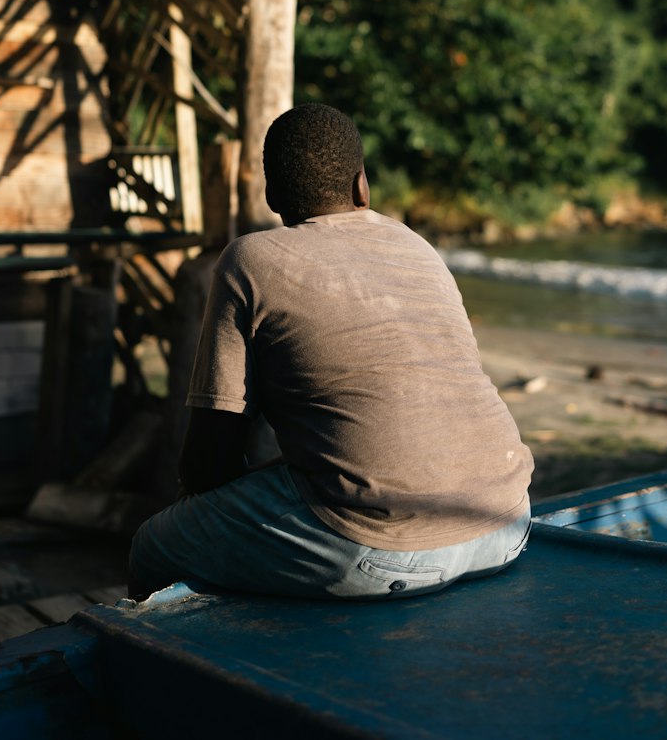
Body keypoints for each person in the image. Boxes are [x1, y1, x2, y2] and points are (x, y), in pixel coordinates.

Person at [129, 103, 533, 600]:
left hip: (379, 554)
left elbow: (208, 464)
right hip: (510, 522)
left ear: (272, 195)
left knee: (154, 544)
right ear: (362, 186)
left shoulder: (250, 259)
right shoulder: (416, 246)